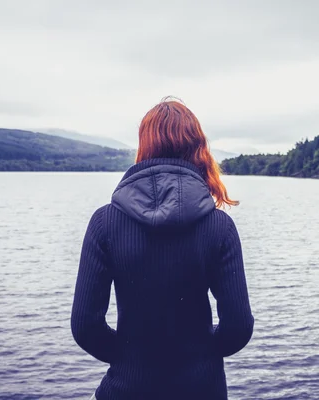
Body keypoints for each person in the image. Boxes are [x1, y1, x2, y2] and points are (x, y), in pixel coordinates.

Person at [71, 98, 254, 400]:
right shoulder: (220, 227)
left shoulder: (104, 223)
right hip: (202, 390)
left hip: (128, 389)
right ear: (198, 149)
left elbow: (85, 326)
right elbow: (238, 327)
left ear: (144, 147)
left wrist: (130, 357)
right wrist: (201, 356)